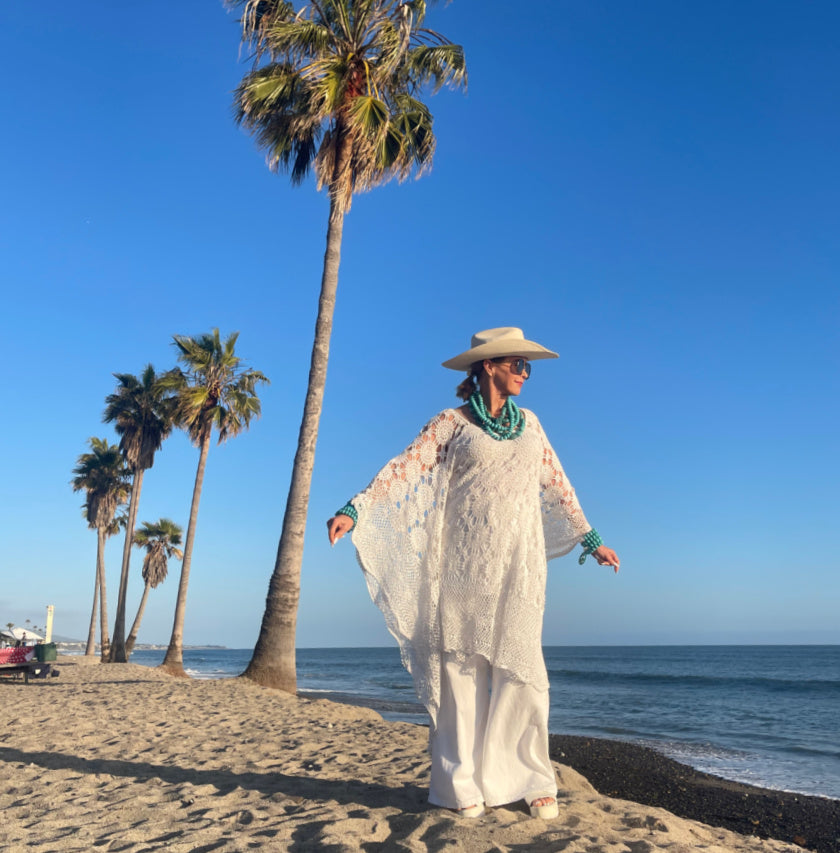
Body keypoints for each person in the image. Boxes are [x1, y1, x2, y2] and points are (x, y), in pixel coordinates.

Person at [327, 327, 620, 820]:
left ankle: (529, 778)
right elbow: (404, 468)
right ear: (488, 366)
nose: (525, 373)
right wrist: (355, 509)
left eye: (528, 366)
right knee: (460, 673)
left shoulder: (531, 425)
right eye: (517, 364)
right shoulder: (451, 424)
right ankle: (459, 784)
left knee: (524, 671)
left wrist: (591, 541)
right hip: (463, 568)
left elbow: (557, 486)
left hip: (520, 568)